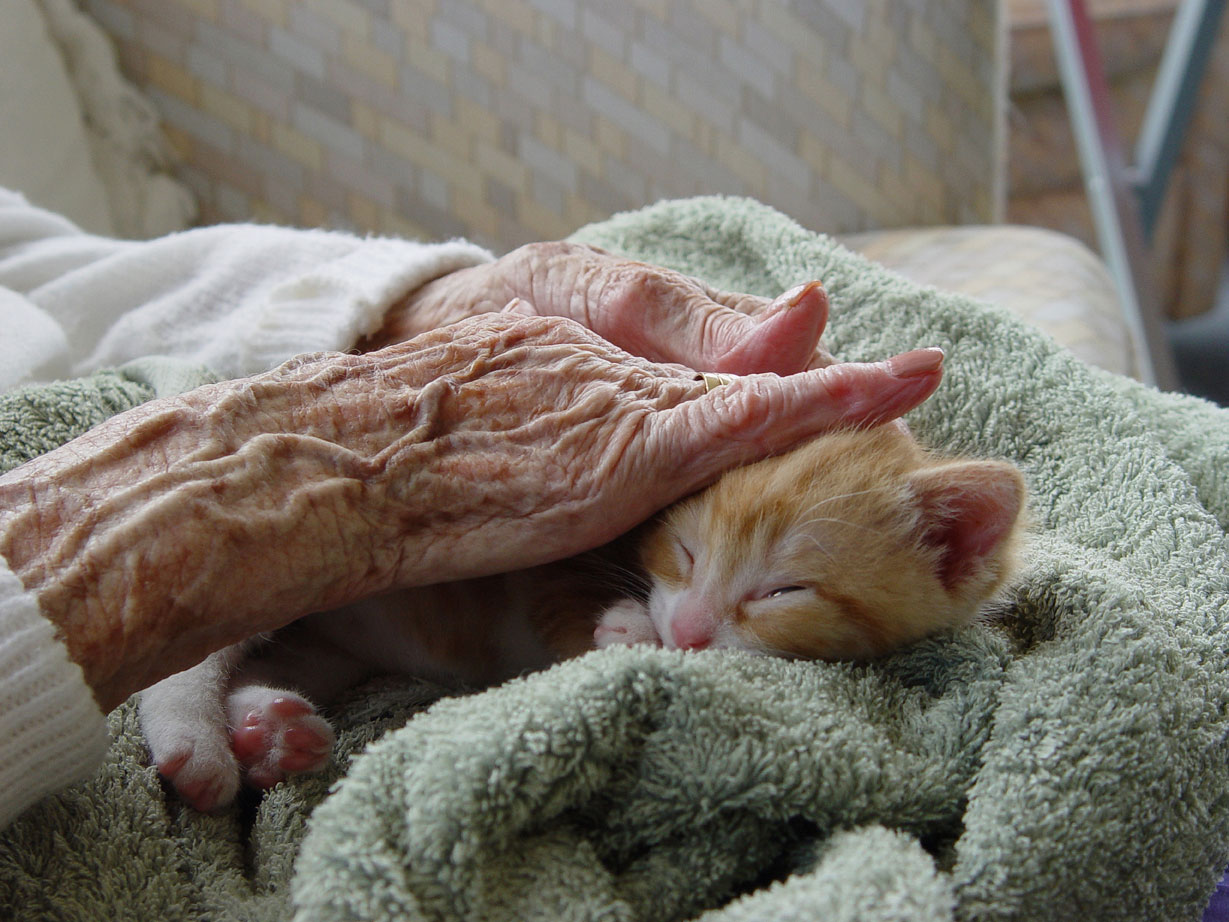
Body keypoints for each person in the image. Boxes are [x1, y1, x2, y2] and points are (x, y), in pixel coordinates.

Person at [0, 189, 944, 829]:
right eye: (692, 568)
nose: (690, 622)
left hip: (270, 432)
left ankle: (269, 682)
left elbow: (56, 266)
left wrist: (408, 303)